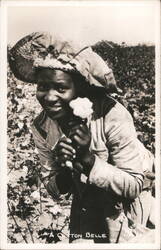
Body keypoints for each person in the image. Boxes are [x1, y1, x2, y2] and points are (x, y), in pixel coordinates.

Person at [9, 32, 155, 243]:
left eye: (61, 88)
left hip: (128, 205)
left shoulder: (112, 115)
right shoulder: (42, 126)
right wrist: (66, 167)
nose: (49, 97)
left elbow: (132, 186)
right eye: (42, 87)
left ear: (78, 89)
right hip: (85, 199)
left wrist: (87, 159)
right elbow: (53, 188)